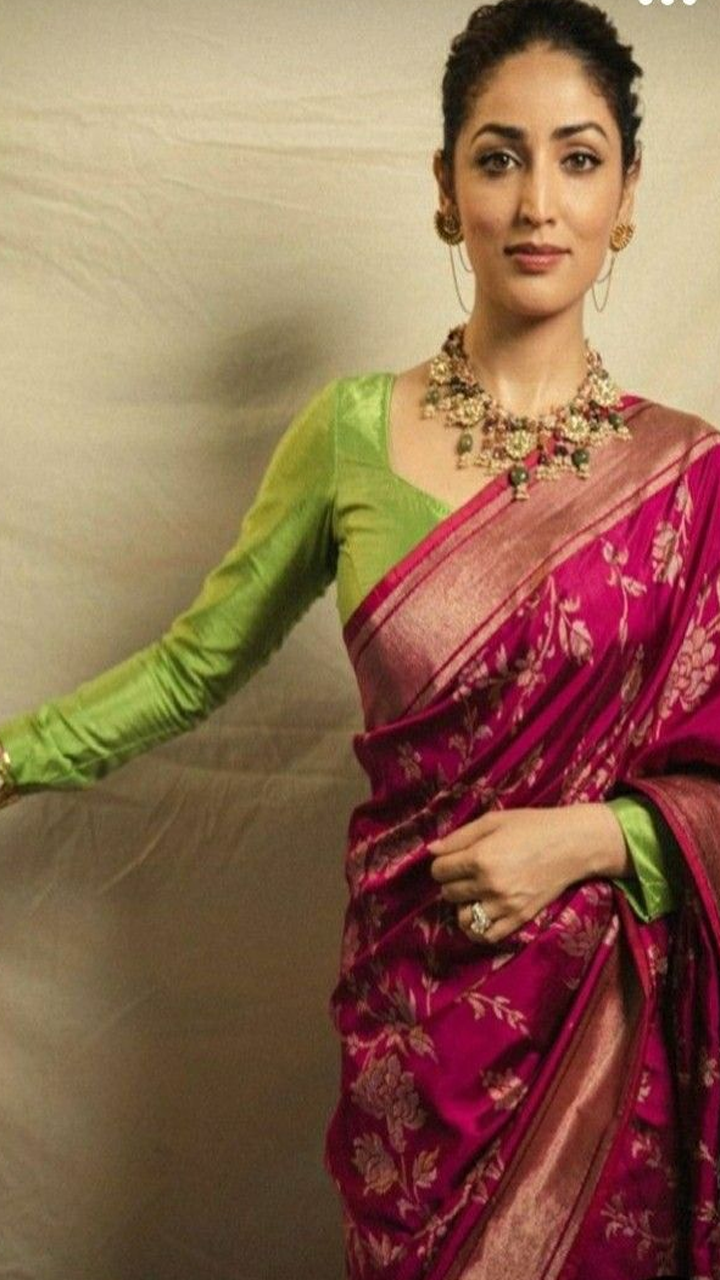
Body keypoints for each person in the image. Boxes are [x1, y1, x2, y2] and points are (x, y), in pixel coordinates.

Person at [1, 0, 718, 1275]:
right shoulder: (349, 435)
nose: (538, 201)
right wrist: (11, 756)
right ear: (446, 189)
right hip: (418, 1028)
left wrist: (594, 838)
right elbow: (190, 667)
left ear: (627, 195)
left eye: (578, 157)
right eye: (498, 158)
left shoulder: (691, 479)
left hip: (609, 1045)